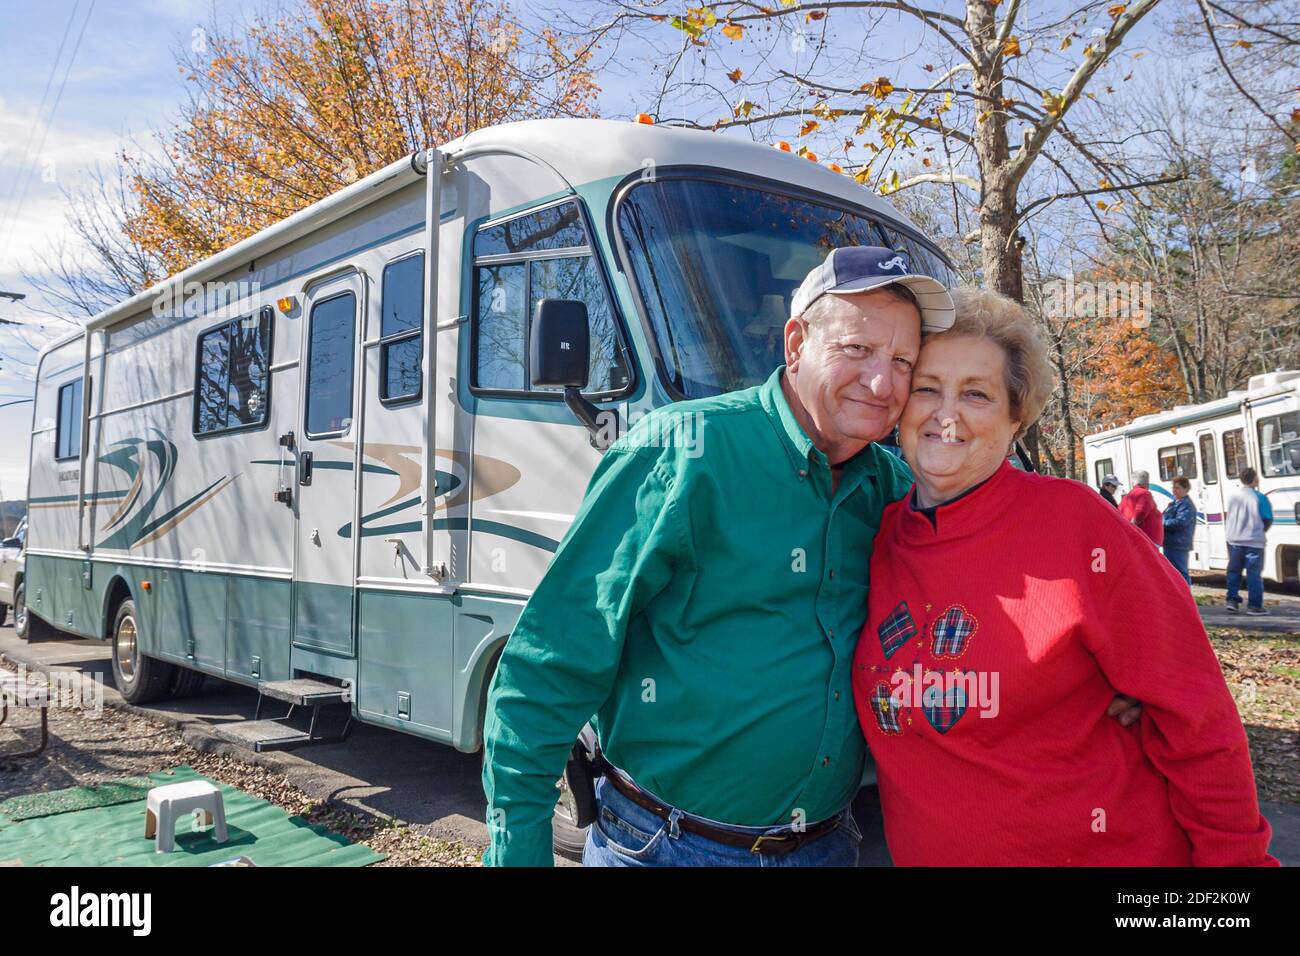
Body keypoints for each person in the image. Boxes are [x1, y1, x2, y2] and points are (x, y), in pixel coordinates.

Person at [479, 249, 1140, 867]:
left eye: (904, 362)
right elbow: (552, 661)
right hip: (668, 844)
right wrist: (520, 842)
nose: (883, 381)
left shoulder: (895, 489)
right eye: (857, 348)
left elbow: (995, 595)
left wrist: (1096, 681)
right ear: (796, 344)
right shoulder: (683, 454)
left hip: (828, 845)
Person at [851, 287, 1276, 866]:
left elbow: (1196, 716)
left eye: (976, 393)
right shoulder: (877, 537)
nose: (945, 414)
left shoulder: (1076, 525)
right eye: (928, 388)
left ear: (1015, 416)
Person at [1225, 467, 1273, 616]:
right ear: (1254, 479)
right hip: (1253, 541)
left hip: (1234, 539)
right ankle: (1254, 605)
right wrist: (1259, 531)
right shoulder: (1259, 497)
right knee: (1253, 574)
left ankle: (1232, 600)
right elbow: (1267, 518)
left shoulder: (1233, 496)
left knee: (1234, 571)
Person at [1162, 476, 1197, 584]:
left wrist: (1162, 523)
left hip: (1179, 544)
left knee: (1181, 573)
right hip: (1170, 543)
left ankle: (1187, 598)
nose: (1174, 491)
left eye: (1177, 488)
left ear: (1186, 489)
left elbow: (1180, 522)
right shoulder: (1173, 504)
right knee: (1173, 573)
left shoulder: (1186, 505)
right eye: (1173, 488)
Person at [1119, 470, 1163, 546]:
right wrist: (1131, 529)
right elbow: (1140, 513)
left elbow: (1119, 513)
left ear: (1133, 483)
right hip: (1147, 539)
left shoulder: (1128, 496)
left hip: (1140, 539)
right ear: (1147, 483)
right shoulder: (1144, 494)